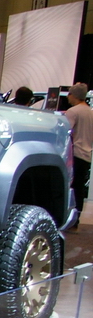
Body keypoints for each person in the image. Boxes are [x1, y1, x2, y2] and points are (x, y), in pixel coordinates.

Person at [66, 82, 93, 217]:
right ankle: (76, 218)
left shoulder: (73, 112)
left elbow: (67, 131)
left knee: (71, 186)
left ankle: (68, 216)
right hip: (86, 154)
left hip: (74, 153)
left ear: (73, 95)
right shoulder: (90, 112)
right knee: (79, 188)